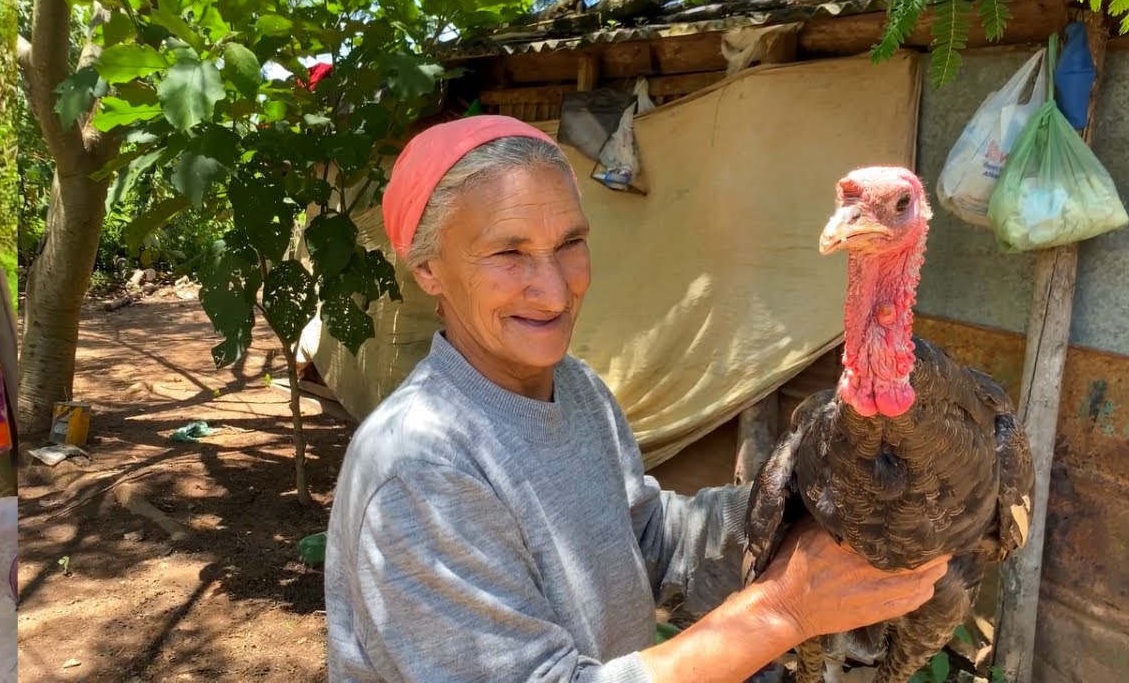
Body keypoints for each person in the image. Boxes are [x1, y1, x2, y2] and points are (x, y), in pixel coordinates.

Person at [323, 115, 949, 682]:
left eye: (570, 242)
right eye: (508, 252)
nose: (553, 289)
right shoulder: (420, 466)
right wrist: (783, 609)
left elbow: (647, 541)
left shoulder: (576, 389)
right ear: (428, 268)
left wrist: (799, 507)